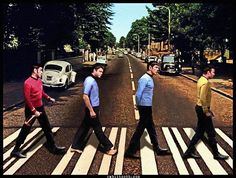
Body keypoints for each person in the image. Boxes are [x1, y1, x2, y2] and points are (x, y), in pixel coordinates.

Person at [11, 65, 66, 158]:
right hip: (31, 110)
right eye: (40, 70)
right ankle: (15, 150)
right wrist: (34, 111)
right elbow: (27, 99)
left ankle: (53, 147)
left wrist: (48, 98)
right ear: (35, 70)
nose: (42, 72)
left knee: (47, 127)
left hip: (40, 108)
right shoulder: (27, 83)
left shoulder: (39, 81)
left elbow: (41, 92)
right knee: (26, 129)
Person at [124, 61, 171, 159]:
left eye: (157, 68)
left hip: (147, 106)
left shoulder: (149, 78)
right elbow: (138, 93)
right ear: (150, 68)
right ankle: (130, 151)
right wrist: (137, 104)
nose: (157, 69)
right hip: (144, 107)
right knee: (140, 129)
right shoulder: (144, 79)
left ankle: (157, 148)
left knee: (151, 128)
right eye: (156, 67)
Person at [183, 65, 228, 160]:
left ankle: (188, 152)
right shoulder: (205, 83)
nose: (214, 74)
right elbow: (203, 98)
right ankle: (216, 154)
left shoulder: (201, 80)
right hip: (202, 109)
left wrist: (207, 109)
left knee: (199, 132)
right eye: (213, 72)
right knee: (211, 132)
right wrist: (206, 111)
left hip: (200, 108)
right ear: (208, 72)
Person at [71, 64, 117, 156]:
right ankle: (108, 147)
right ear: (94, 70)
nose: (101, 73)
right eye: (100, 71)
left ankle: (75, 146)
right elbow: (85, 96)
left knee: (84, 127)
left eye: (102, 72)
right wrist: (91, 110)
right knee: (98, 129)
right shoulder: (90, 80)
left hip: (94, 108)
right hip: (92, 108)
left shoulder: (92, 80)